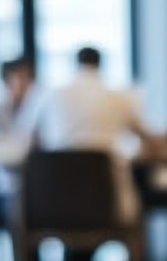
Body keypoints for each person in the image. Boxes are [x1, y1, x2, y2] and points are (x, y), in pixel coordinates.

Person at [35, 46, 150, 224]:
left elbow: (30, 141)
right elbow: (146, 138)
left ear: (76, 64)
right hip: (107, 201)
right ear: (100, 65)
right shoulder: (118, 97)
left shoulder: (50, 95)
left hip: (53, 203)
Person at [0, 57, 44, 161]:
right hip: (2, 173)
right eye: (21, 78)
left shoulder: (36, 109)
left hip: (33, 170)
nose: (28, 84)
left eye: (29, 78)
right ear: (7, 82)